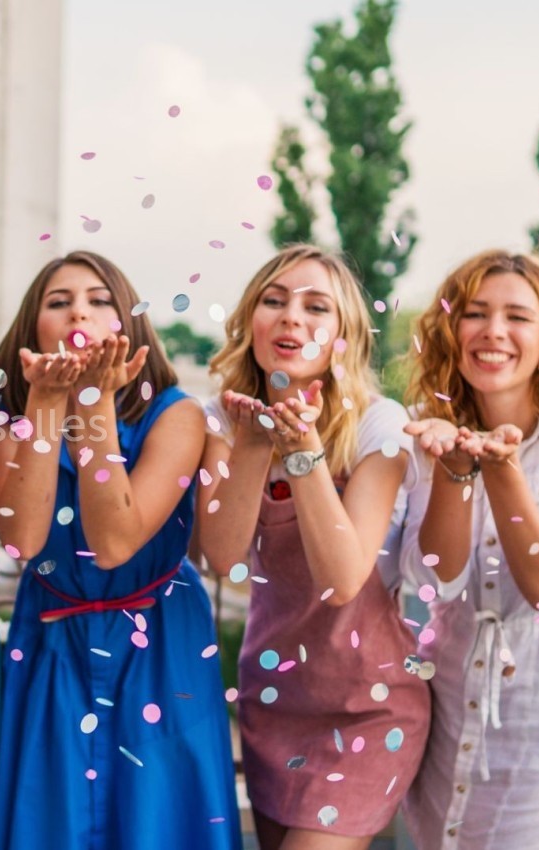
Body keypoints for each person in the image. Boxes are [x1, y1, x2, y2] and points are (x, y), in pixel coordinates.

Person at [0, 251, 240, 850]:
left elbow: (115, 541)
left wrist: (95, 404)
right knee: (52, 819)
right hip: (52, 642)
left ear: (130, 325)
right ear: (32, 330)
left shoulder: (176, 416)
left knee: (159, 820)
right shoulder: (6, 423)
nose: (80, 310)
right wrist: (47, 404)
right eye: (59, 301)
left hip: (159, 642)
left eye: (100, 300)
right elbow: (21, 538)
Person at [199, 244, 429, 849]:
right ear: (251, 321)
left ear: (343, 337)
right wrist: (254, 443)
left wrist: (301, 450)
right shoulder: (220, 421)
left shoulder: (380, 427)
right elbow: (218, 558)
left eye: (315, 306)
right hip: (274, 699)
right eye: (273, 301)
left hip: (369, 709)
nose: (291, 317)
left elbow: (343, 578)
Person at [401, 250, 539, 850]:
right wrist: (453, 471)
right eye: (475, 313)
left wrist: (501, 469)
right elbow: (435, 583)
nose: (493, 332)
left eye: (518, 316)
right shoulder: (422, 432)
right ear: (450, 329)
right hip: (450, 708)